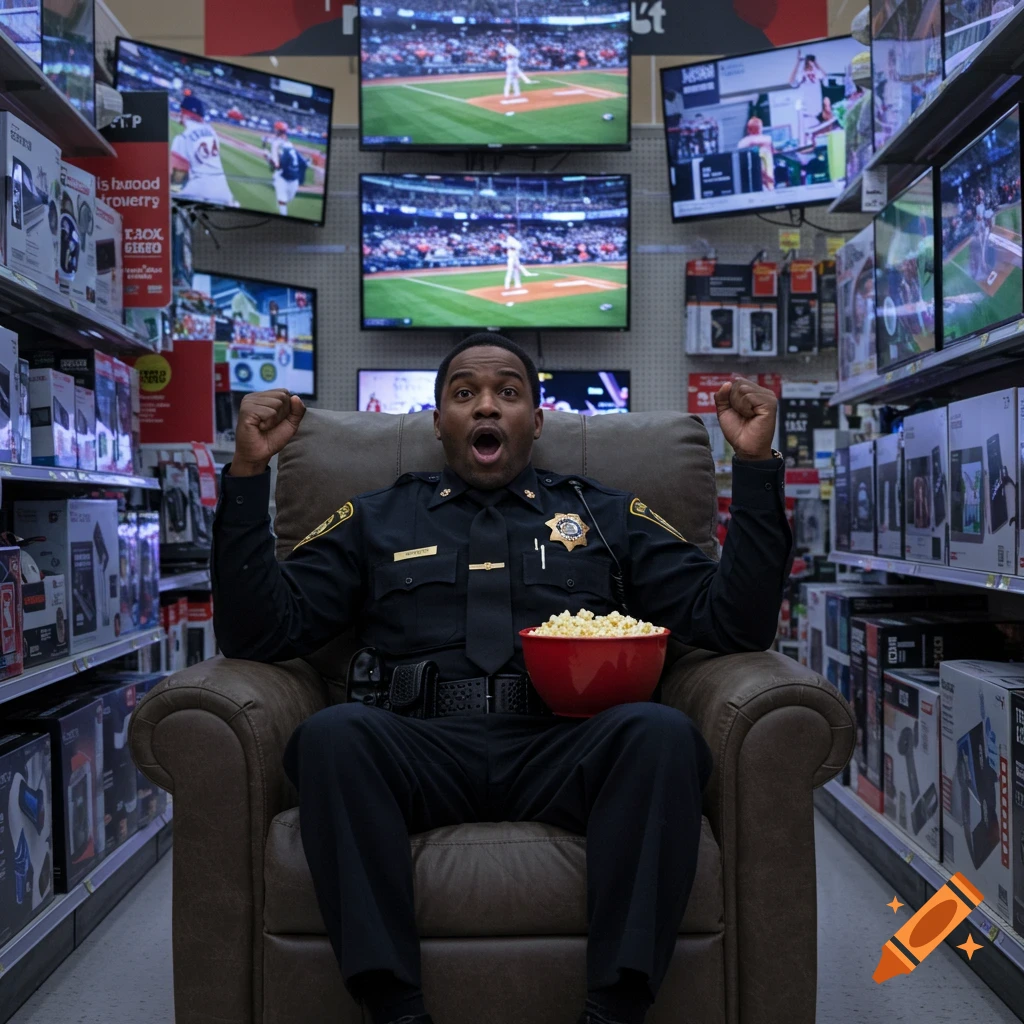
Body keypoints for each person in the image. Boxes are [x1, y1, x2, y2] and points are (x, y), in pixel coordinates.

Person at [212, 335, 791, 1024]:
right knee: (332, 736)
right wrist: (247, 475)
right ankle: (395, 1008)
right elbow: (260, 635)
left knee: (660, 733)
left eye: (508, 393)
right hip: (420, 747)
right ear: (438, 423)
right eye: (465, 393)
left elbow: (731, 623)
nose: (486, 406)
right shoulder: (374, 517)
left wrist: (754, 469)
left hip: (561, 744)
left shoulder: (605, 516)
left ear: (536, 421)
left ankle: (615, 1008)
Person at [169, 93, 239, 208]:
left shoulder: (182, 138)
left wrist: (172, 195)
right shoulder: (212, 132)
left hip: (198, 192)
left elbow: (177, 178)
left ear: (184, 113)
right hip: (223, 192)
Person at [268, 121, 304, 217]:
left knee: (288, 199)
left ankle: (282, 209)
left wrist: (270, 160)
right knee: (282, 200)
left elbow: (275, 163)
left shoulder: (285, 143)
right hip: (281, 175)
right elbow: (276, 164)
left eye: (276, 129)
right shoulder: (280, 143)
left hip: (292, 176)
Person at [735, 115, 776, 190]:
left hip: (748, 178)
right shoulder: (767, 140)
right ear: (760, 128)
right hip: (765, 178)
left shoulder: (741, 143)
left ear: (748, 129)